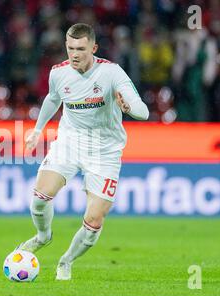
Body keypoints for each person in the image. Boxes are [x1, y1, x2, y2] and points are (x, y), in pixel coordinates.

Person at [17, 23, 149, 280]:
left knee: (94, 220)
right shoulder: (59, 73)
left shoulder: (112, 73)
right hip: (69, 142)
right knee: (40, 196)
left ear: (93, 48)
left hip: (105, 151)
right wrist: (37, 130)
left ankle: (66, 261)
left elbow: (143, 111)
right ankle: (43, 236)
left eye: (80, 48)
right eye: (70, 48)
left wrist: (128, 107)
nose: (74, 54)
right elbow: (53, 98)